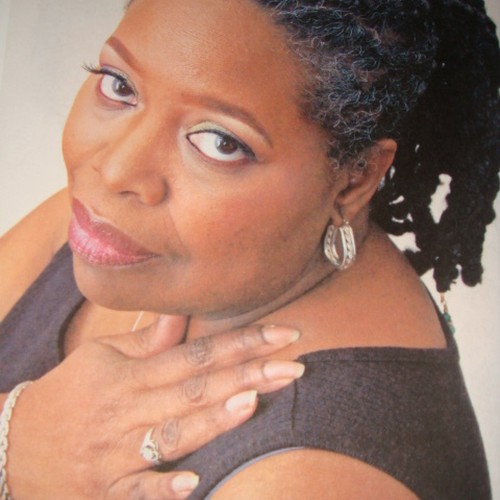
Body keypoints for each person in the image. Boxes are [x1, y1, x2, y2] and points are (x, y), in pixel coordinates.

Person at [0, 0, 499, 498]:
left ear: (355, 179)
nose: (114, 170)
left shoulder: (309, 483)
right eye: (119, 86)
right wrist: (13, 436)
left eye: (219, 142)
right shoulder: (115, 229)